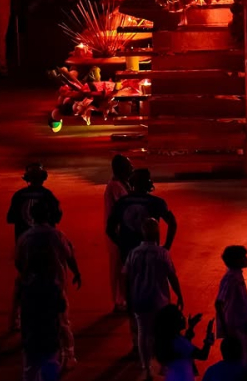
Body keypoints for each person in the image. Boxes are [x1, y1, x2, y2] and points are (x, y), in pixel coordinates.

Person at [15, 198, 81, 370]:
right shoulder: (56, 235)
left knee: (33, 322)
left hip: (32, 287)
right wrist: (77, 272)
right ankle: (68, 354)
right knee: (61, 320)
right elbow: (69, 255)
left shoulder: (25, 237)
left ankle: (33, 359)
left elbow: (18, 261)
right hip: (56, 284)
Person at [125, 218, 183, 381]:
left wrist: (129, 296)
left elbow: (127, 276)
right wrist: (179, 294)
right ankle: (163, 365)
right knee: (160, 333)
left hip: (139, 298)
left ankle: (146, 367)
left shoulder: (134, 252)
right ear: (158, 233)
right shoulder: (162, 253)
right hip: (159, 299)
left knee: (143, 332)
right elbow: (171, 276)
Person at [107, 168, 177, 262]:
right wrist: (166, 247)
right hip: (151, 256)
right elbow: (172, 223)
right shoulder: (156, 202)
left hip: (129, 256)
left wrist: (122, 245)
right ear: (149, 183)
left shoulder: (122, 202)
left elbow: (109, 229)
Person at [20, 246, 66, 381]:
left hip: (32, 339)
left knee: (29, 373)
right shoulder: (53, 288)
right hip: (49, 338)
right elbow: (61, 308)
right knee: (50, 371)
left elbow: (24, 316)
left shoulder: (27, 289)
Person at [215, 245, 247, 369]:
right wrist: (226, 328)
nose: (246, 259)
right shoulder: (230, 278)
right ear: (236, 260)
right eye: (243, 257)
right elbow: (219, 302)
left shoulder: (237, 275)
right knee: (243, 359)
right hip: (234, 326)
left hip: (241, 325)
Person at [153, 304, 214, 381]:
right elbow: (203, 355)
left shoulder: (169, 340)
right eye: (180, 317)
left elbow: (185, 347)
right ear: (174, 323)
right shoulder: (180, 342)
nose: (184, 318)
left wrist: (191, 327)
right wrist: (209, 334)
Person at [105, 153, 132, 311]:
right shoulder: (115, 186)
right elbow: (123, 205)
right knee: (118, 267)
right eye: (129, 165)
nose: (131, 168)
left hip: (121, 231)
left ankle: (123, 299)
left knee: (122, 267)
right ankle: (119, 301)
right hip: (116, 232)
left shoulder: (122, 183)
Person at [7, 164, 62, 241]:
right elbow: (57, 217)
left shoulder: (19, 195)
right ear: (43, 178)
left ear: (27, 179)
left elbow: (10, 218)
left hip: (24, 242)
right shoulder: (48, 195)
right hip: (46, 242)